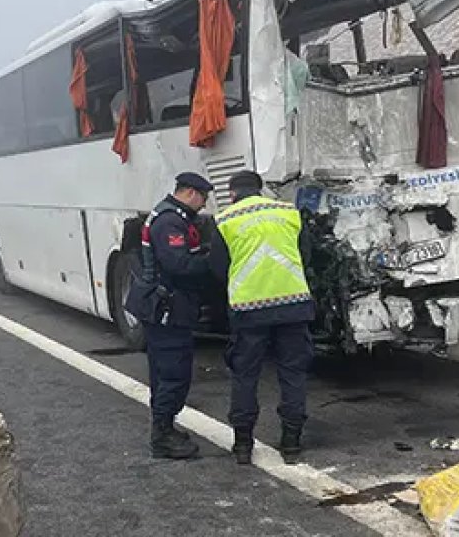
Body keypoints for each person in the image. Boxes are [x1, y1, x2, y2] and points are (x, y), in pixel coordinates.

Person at [212, 170, 316, 465]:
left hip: (248, 310)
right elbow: (305, 256)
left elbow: (218, 267)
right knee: (293, 374)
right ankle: (292, 443)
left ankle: (243, 444)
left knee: (245, 376)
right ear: (260, 190)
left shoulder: (225, 220)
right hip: (294, 305)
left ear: (232, 193)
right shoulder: (289, 213)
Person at [126, 172, 215, 459]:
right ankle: (162, 435)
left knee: (165, 371)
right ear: (190, 193)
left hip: (166, 306)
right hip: (167, 308)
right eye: (203, 197)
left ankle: (165, 427)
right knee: (173, 373)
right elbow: (178, 264)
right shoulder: (169, 222)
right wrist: (211, 260)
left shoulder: (171, 216)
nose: (204, 204)